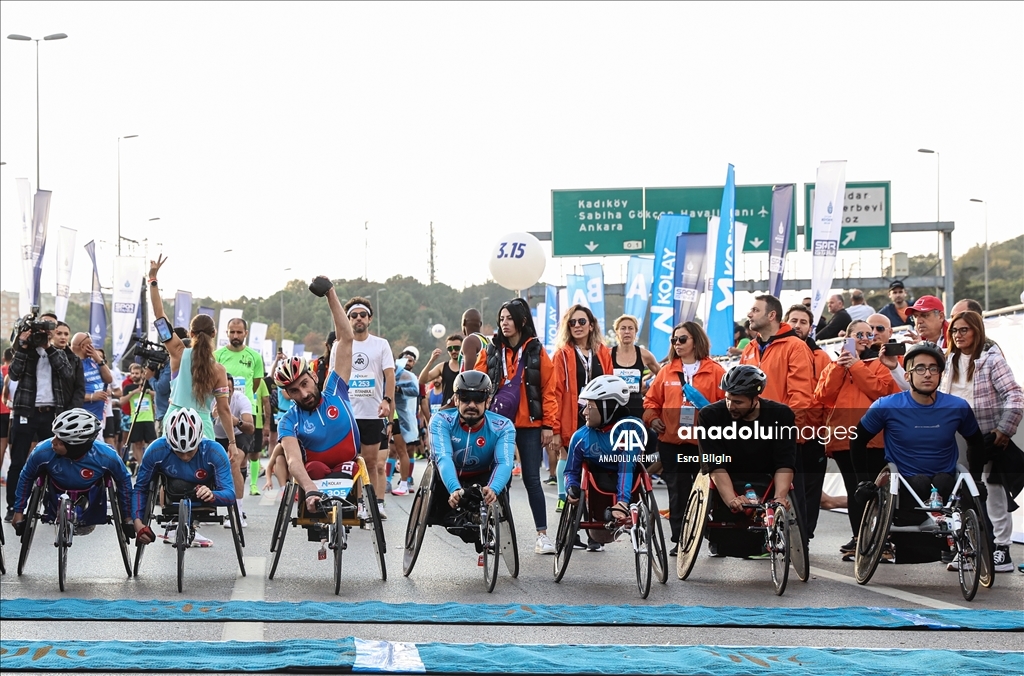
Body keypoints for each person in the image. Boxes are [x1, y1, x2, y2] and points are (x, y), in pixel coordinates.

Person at [851, 343, 987, 558]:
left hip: (945, 484)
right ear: (907, 375)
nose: (928, 374)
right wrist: (863, 481)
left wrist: (976, 479)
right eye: (920, 368)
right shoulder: (886, 406)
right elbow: (857, 440)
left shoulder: (957, 407)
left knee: (943, 480)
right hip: (905, 484)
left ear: (940, 375)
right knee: (920, 482)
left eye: (934, 368)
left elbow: (976, 442)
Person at [940, 311, 1022, 573]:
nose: (958, 335)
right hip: (955, 437)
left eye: (964, 329)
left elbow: (1015, 395)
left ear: (977, 331)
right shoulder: (948, 361)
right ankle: (965, 548)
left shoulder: (991, 360)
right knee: (959, 493)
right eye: (954, 330)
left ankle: (1002, 550)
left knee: (994, 492)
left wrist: (1004, 430)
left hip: (986, 437)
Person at [475, 297, 558, 555]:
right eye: (501, 319)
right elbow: (476, 381)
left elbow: (549, 390)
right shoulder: (491, 349)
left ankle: (542, 536)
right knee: (501, 479)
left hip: (529, 424)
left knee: (532, 479)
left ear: (521, 321)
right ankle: (501, 534)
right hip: (497, 424)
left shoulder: (536, 350)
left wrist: (549, 425)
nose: (504, 323)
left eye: (509, 318)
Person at [814, 320, 900, 560]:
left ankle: (882, 541)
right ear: (848, 337)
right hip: (843, 439)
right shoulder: (834, 365)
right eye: (858, 334)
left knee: (877, 491)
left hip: (875, 439)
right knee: (855, 490)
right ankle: (859, 537)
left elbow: (882, 392)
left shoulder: (881, 363)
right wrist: (840, 366)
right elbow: (823, 395)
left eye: (868, 334)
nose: (864, 338)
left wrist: (856, 366)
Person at [276, 277, 361, 518]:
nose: (303, 394)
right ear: (288, 394)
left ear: (313, 376)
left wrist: (330, 294)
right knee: (311, 467)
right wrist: (310, 488)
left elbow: (346, 339)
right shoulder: (288, 420)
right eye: (294, 391)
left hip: (347, 466)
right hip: (315, 474)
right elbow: (293, 460)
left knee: (350, 470)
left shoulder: (335, 389)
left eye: (304, 384)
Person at [148, 255, 240, 471]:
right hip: (203, 425)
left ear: (190, 333)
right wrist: (232, 443)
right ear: (214, 334)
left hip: (173, 421)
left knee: (164, 471)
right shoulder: (219, 370)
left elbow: (159, 316)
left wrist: (152, 279)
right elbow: (224, 410)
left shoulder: (178, 352)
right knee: (207, 474)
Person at [643, 321, 724, 552]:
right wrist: (652, 419)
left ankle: (715, 537)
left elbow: (726, 405)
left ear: (696, 341)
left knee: (711, 491)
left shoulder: (716, 371)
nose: (677, 343)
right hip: (672, 443)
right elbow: (650, 402)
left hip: (704, 444)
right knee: (678, 492)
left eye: (682, 339)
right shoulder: (666, 371)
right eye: (674, 340)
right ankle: (681, 541)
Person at [739, 295, 816, 531]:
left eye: (755, 310)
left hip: (781, 435)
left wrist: (788, 432)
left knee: (790, 497)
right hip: (751, 434)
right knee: (754, 492)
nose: (749, 314)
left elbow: (801, 396)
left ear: (771, 315)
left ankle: (798, 543)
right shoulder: (750, 348)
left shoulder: (795, 346)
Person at [697, 366, 797, 536]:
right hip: (728, 475)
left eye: (738, 402)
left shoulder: (781, 415)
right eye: (728, 399)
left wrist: (780, 497)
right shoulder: (710, 416)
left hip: (766, 477)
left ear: (755, 399)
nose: (731, 406)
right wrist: (732, 499)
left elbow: (785, 461)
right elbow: (715, 464)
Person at [11, 408, 134, 540]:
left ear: (76, 446)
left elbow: (123, 480)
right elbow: (26, 477)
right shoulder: (42, 451)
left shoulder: (106, 456)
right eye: (55, 436)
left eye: (60, 441)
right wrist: (18, 511)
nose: (53, 442)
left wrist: (127, 517)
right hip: (55, 492)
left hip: (92, 496)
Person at [6, 311, 80, 521]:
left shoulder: (58, 352)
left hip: (51, 414)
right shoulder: (25, 350)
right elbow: (13, 374)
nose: (46, 330)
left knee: (54, 460)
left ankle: (52, 507)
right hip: (25, 412)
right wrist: (23, 345)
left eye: (51, 327)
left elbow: (67, 374)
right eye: (43, 325)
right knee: (18, 461)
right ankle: (14, 506)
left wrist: (48, 347)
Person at [132, 408, 236, 548]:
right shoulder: (156, 450)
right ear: (169, 443)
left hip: (202, 494)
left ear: (199, 441)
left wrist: (213, 495)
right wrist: (138, 523)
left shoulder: (214, 451)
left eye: (190, 451)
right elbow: (141, 489)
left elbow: (230, 494)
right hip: (172, 492)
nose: (185, 457)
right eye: (179, 452)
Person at [430, 372, 516, 540]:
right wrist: (454, 489)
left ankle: (483, 522)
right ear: (456, 400)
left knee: (501, 480)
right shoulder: (441, 420)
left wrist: (494, 488)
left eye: (478, 399)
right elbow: (443, 457)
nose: (471, 405)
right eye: (465, 398)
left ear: (488, 402)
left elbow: (504, 462)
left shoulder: (503, 426)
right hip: (448, 478)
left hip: (482, 478)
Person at [551, 304, 613, 518]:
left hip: (598, 416)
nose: (577, 326)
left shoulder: (602, 352)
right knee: (568, 458)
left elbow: (610, 385)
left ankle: (594, 510)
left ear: (591, 325)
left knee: (596, 462)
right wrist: (555, 429)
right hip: (571, 415)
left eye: (582, 321)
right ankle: (565, 502)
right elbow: (555, 393)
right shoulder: (561, 354)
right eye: (572, 322)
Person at [564, 375, 642, 538]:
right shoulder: (579, 437)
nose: (584, 412)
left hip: (628, 483)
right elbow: (570, 471)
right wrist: (571, 487)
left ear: (607, 407)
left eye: (589, 406)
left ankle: (622, 503)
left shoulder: (631, 427)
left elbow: (626, 464)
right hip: (597, 485)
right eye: (584, 406)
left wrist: (622, 502)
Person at [340, 296, 395, 519]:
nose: (358, 319)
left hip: (372, 414)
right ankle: (354, 504)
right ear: (348, 319)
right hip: (347, 413)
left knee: (371, 463)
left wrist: (387, 400)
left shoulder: (381, 344)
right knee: (348, 463)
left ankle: (372, 504)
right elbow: (333, 378)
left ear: (369, 319)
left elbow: (390, 376)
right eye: (353, 316)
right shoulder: (340, 346)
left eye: (362, 315)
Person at [781, 303, 832, 539]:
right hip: (786, 432)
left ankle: (804, 535)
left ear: (810, 328)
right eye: (794, 320)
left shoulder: (821, 357)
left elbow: (828, 395)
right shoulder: (779, 351)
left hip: (813, 433)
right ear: (785, 321)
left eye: (803, 322)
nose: (797, 325)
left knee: (810, 488)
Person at [215, 317, 265, 521]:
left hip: (244, 413)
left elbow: (256, 384)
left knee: (238, 459)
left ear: (246, 334)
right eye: (232, 332)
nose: (235, 335)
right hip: (219, 412)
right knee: (228, 462)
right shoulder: (217, 355)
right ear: (226, 333)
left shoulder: (255, 357)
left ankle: (237, 510)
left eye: (239, 332)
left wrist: (240, 402)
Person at [610, 314, 661, 420]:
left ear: (635, 331)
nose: (627, 331)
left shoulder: (645, 355)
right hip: (613, 408)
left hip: (636, 408)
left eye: (630, 328)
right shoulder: (608, 354)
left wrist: (651, 391)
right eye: (623, 328)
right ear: (617, 332)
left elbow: (662, 376)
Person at [391, 347, 421, 496]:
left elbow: (416, 391)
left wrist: (398, 389)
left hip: (401, 417)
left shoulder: (406, 375)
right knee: (389, 452)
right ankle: (386, 481)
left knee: (403, 450)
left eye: (411, 360)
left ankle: (404, 483)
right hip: (385, 415)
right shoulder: (385, 373)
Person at [70, 332, 113, 423]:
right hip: (82, 418)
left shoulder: (92, 361)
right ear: (83, 346)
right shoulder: (73, 365)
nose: (93, 347)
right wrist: (91, 397)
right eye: (90, 344)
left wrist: (99, 359)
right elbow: (69, 394)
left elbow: (109, 379)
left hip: (97, 417)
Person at [122, 363, 159, 466]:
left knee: (152, 443)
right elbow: (121, 401)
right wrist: (133, 392)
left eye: (137, 373)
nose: (134, 375)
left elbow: (157, 394)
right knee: (137, 444)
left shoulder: (149, 384)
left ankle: (153, 464)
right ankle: (141, 465)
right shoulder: (128, 387)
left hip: (148, 418)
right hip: (136, 419)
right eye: (132, 373)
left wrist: (147, 391)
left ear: (142, 374)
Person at [418, 334, 463, 409]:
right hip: (447, 409)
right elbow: (422, 380)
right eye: (450, 349)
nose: (453, 351)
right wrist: (431, 361)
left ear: (463, 347)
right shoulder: (442, 367)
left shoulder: (469, 365)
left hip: (465, 408)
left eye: (457, 348)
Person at [458, 308, 490, 373]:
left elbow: (469, 374)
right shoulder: (486, 341)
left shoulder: (469, 341)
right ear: (480, 324)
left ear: (464, 322)